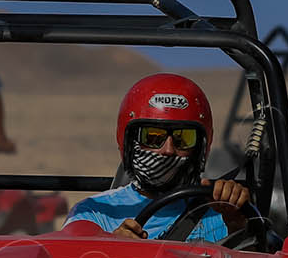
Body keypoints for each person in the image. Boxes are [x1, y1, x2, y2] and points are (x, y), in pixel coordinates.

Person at [63, 73, 252, 242]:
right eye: (152, 137)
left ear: (201, 146)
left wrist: (238, 225)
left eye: (183, 138)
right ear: (129, 141)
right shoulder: (94, 213)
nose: (168, 150)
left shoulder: (222, 211)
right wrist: (110, 248)